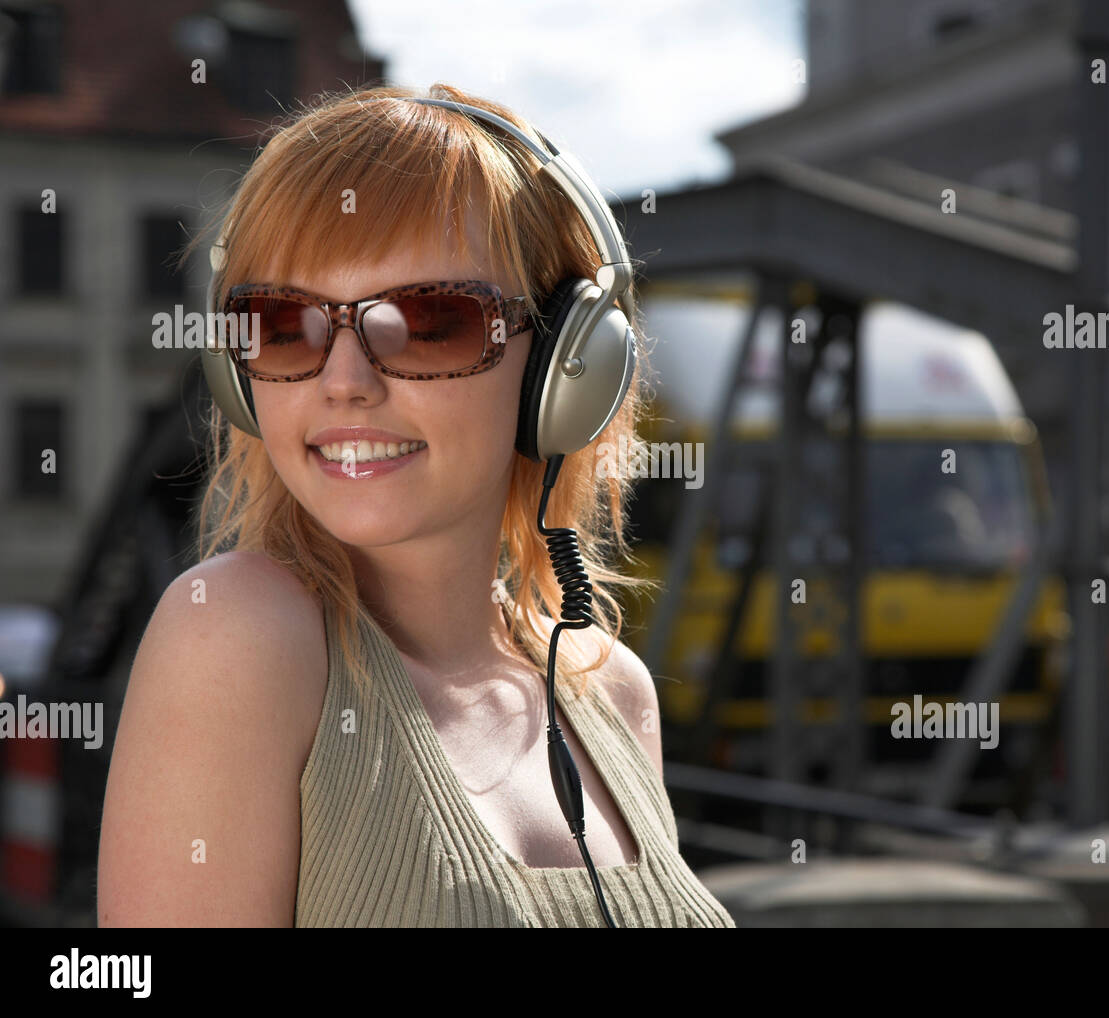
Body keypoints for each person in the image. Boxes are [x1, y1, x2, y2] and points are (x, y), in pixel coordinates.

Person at [97, 83, 736, 928]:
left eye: (430, 321)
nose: (345, 383)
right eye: (285, 323)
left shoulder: (613, 693)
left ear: (560, 362)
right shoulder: (240, 635)